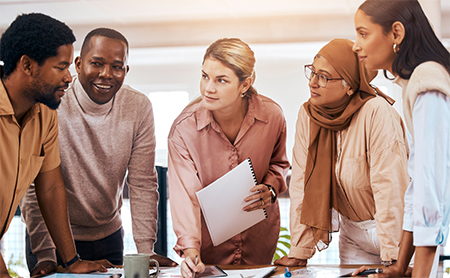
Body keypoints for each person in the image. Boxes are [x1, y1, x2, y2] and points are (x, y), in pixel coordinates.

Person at [20, 27, 177, 276]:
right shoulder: (51, 104)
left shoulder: (138, 107)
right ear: (79, 64)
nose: (106, 74)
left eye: (117, 66)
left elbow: (143, 183)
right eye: (96, 63)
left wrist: (146, 251)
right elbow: (34, 186)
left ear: (126, 70)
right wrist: (45, 255)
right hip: (52, 239)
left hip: (109, 236)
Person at [274, 39, 409, 267]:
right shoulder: (308, 116)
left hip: (397, 233)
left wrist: (394, 257)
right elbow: (301, 185)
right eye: (312, 73)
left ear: (350, 84)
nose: (313, 83)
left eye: (324, 77)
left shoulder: (376, 112)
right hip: (354, 235)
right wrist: (299, 250)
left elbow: (390, 187)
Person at [168, 38, 290, 278]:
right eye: (205, 76)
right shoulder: (184, 130)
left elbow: (279, 163)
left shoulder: (273, 116)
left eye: (221, 80)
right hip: (209, 251)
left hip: (259, 241)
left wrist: (271, 187)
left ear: (246, 84)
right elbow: (186, 196)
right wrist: (191, 250)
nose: (208, 89)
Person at [0, 13, 107, 278]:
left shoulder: (45, 114)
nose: (69, 77)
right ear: (27, 65)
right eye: (60, 67)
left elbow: (50, 187)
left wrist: (72, 261)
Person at [352, 0, 450, 277]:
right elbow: (418, 185)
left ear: (396, 33)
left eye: (363, 33)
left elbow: (431, 189)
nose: (355, 45)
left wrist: (419, 274)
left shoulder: (427, 79)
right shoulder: (415, 81)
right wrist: (399, 266)